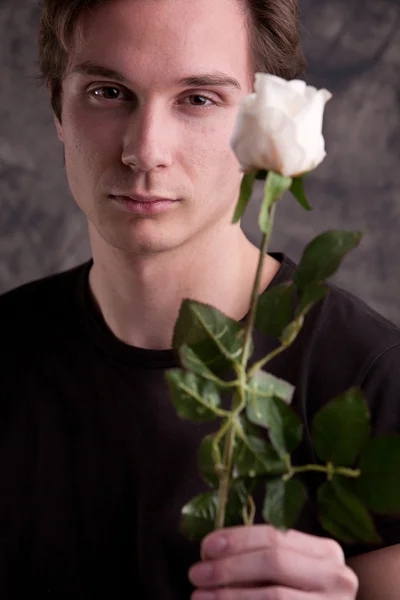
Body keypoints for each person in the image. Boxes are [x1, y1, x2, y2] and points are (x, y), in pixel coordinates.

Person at [1, 0, 399, 597]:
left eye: (198, 99)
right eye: (109, 93)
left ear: (260, 117)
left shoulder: (374, 380)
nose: (144, 151)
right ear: (59, 104)